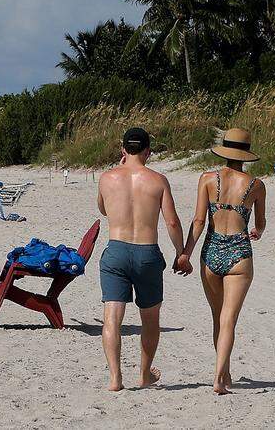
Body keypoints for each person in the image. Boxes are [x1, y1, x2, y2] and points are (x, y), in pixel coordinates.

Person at [97, 127, 190, 392]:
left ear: (123, 150)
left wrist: (117, 171)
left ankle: (115, 378)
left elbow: (103, 208)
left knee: (112, 319)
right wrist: (181, 252)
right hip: (147, 252)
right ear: (148, 151)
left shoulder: (106, 178)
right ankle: (145, 373)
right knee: (150, 319)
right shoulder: (158, 180)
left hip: (116, 250)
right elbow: (171, 221)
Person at [178, 128, 266, 395]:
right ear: (246, 154)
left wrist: (185, 254)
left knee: (218, 318)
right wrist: (257, 232)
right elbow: (260, 224)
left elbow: (198, 221)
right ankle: (221, 376)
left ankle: (223, 373)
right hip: (240, 253)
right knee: (229, 320)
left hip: (211, 251)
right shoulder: (257, 185)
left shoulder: (207, 179)